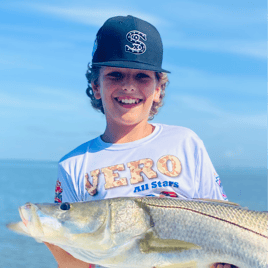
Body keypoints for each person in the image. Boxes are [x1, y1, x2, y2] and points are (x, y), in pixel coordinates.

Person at [45, 15, 236, 268]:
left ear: (158, 87)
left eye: (142, 77)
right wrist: (51, 238)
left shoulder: (185, 142)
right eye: (115, 75)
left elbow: (224, 225)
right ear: (96, 86)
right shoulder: (73, 165)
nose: (129, 87)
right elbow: (77, 265)